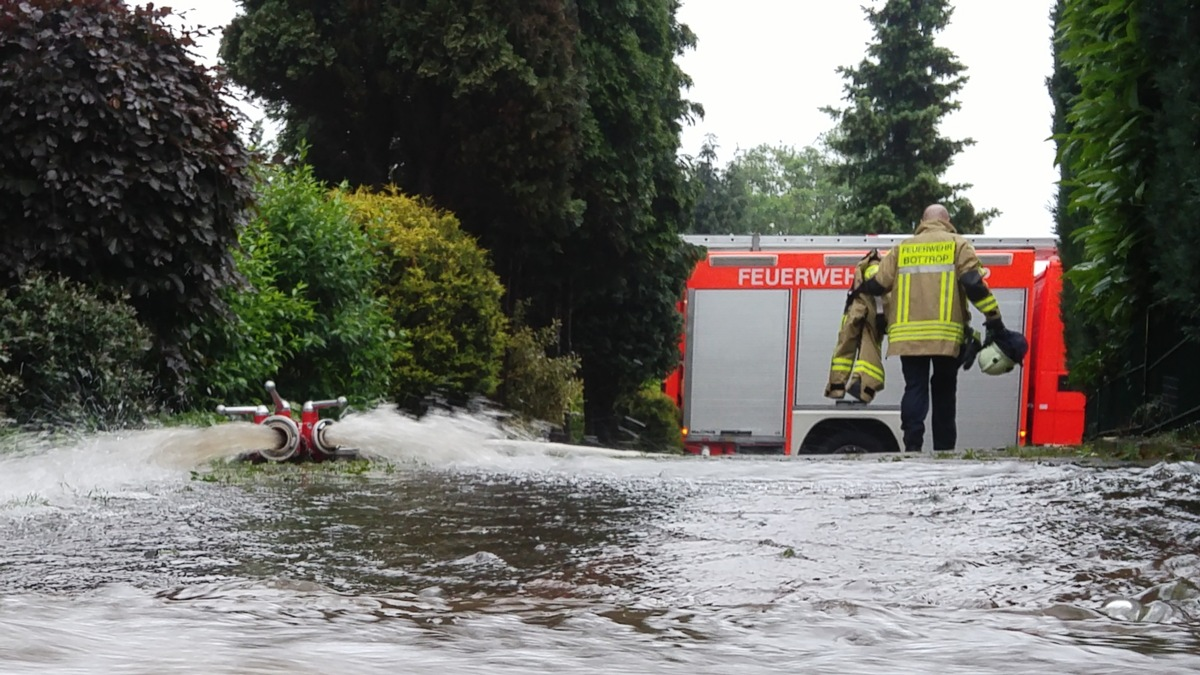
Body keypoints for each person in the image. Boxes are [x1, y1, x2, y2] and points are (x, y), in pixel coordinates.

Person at [855, 204, 1005, 452]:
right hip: (946, 337)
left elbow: (879, 285)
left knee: (915, 387)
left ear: (923, 221)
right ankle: (944, 449)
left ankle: (913, 446)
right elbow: (974, 284)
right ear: (947, 221)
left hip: (907, 337)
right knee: (945, 390)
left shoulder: (902, 249)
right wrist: (994, 317)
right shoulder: (958, 244)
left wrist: (860, 285)